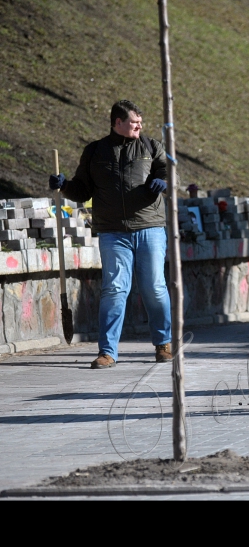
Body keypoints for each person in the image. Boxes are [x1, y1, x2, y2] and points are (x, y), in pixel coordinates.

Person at [48, 100, 172, 369]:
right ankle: (107, 352)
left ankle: (163, 344)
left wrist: (162, 181)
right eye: (133, 122)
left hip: (150, 227)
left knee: (154, 287)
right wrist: (64, 186)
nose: (139, 126)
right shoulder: (95, 152)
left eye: (140, 122)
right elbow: (82, 190)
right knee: (114, 289)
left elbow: (166, 171)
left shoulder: (151, 147)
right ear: (118, 123)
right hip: (113, 232)